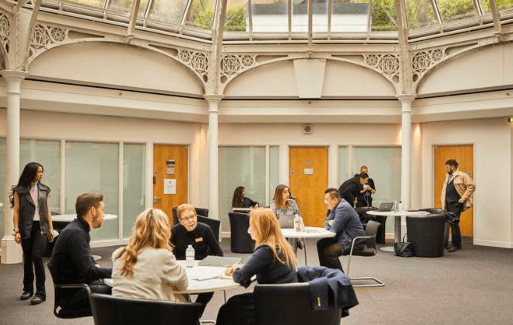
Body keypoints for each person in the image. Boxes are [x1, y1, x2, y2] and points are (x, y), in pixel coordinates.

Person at [216, 208, 297, 325]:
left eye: (251, 226)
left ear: (260, 228)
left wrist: (234, 272)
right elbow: (258, 266)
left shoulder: (266, 250)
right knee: (233, 303)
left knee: (228, 309)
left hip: (272, 301)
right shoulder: (280, 245)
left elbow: (241, 276)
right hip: (285, 298)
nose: (249, 230)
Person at [48, 193, 112, 313]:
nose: (103, 215)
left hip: (79, 287)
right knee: (121, 294)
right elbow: (89, 272)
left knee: (116, 289)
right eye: (102, 210)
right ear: (93, 211)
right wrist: (119, 271)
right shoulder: (76, 234)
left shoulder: (78, 229)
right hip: (74, 293)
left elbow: (90, 264)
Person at [112, 208, 188, 301]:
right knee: (183, 300)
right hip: (152, 313)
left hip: (119, 313)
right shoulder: (163, 256)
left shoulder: (119, 253)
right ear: (164, 230)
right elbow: (183, 285)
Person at [10, 162, 54, 305]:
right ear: (31, 173)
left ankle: (41, 292)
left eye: (42, 171)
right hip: (25, 227)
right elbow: (16, 211)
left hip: (41, 227)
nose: (41, 174)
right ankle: (27, 289)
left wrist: (51, 229)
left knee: (37, 256)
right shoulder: (20, 190)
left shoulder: (44, 190)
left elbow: (48, 211)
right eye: (39, 172)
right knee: (27, 258)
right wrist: (16, 231)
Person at [170, 203, 223, 315]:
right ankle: (189, 313)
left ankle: (195, 313)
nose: (191, 221)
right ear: (180, 220)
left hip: (202, 269)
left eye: (193, 216)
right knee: (175, 288)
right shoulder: (174, 231)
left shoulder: (205, 229)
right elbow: (168, 255)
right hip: (181, 271)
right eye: (186, 218)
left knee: (211, 286)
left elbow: (219, 253)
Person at [317, 188, 365, 272]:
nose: (325, 202)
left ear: (335, 200)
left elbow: (334, 229)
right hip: (344, 237)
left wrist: (331, 223)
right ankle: (327, 273)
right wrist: (330, 223)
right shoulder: (335, 207)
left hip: (354, 240)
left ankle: (340, 278)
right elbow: (326, 223)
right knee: (321, 243)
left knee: (330, 252)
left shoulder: (343, 208)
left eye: (326, 199)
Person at [441, 159, 475, 252]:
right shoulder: (448, 176)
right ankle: (457, 244)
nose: (446, 169)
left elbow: (471, 186)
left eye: (447, 167)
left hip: (456, 203)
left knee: (454, 223)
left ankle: (455, 245)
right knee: (451, 223)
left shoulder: (462, 175)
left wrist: (462, 199)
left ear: (452, 167)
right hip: (448, 203)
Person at [270, 184, 303, 250]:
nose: (288, 194)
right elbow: (272, 221)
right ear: (279, 194)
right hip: (279, 231)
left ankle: (292, 257)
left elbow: (298, 216)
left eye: (288, 192)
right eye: (285, 192)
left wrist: (298, 222)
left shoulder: (292, 203)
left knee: (293, 237)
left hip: (292, 229)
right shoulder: (274, 205)